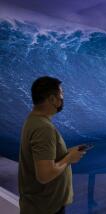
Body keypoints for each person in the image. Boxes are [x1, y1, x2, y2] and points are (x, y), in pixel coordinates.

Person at [18, 76, 86, 214]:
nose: (62, 100)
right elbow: (45, 174)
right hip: (46, 209)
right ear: (52, 99)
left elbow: (43, 158)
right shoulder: (44, 128)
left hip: (39, 206)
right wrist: (69, 158)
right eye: (61, 95)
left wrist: (66, 153)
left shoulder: (33, 120)